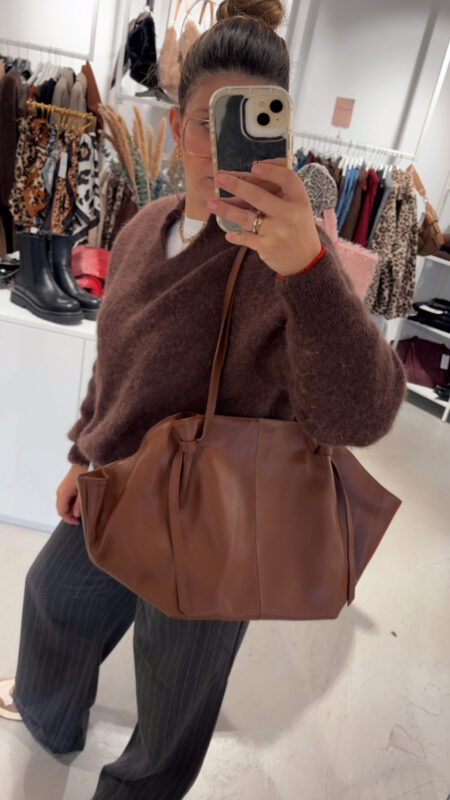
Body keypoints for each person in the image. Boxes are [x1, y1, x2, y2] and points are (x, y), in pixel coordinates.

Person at [0, 1, 407, 797]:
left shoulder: (287, 257)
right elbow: (115, 364)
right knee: (52, 596)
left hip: (221, 518)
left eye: (249, 127)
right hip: (121, 485)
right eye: (205, 123)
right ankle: (49, 714)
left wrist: (307, 269)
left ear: (278, 139)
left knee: (174, 689)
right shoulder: (143, 228)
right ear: (178, 122)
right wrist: (82, 454)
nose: (219, 149)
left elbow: (363, 414)